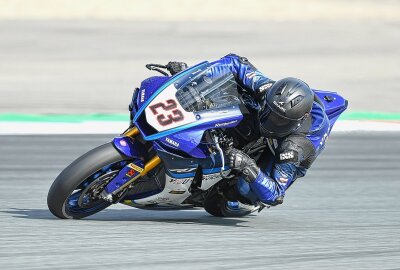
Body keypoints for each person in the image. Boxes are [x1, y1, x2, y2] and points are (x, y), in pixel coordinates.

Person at [169, 54, 332, 214]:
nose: (270, 121)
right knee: (231, 93)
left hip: (277, 151)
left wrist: (247, 165)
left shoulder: (294, 148)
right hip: (272, 111)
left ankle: (239, 200)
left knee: (244, 189)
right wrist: (194, 76)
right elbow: (234, 62)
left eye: (279, 120)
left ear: (298, 121)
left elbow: (275, 195)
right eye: (269, 111)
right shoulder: (267, 90)